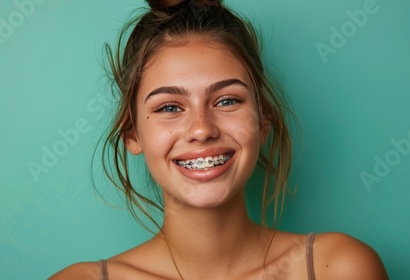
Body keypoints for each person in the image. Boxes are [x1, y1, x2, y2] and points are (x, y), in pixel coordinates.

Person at [50, 0, 389, 279]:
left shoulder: (341, 268)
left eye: (227, 100)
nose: (202, 129)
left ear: (263, 120)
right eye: (169, 106)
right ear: (132, 134)